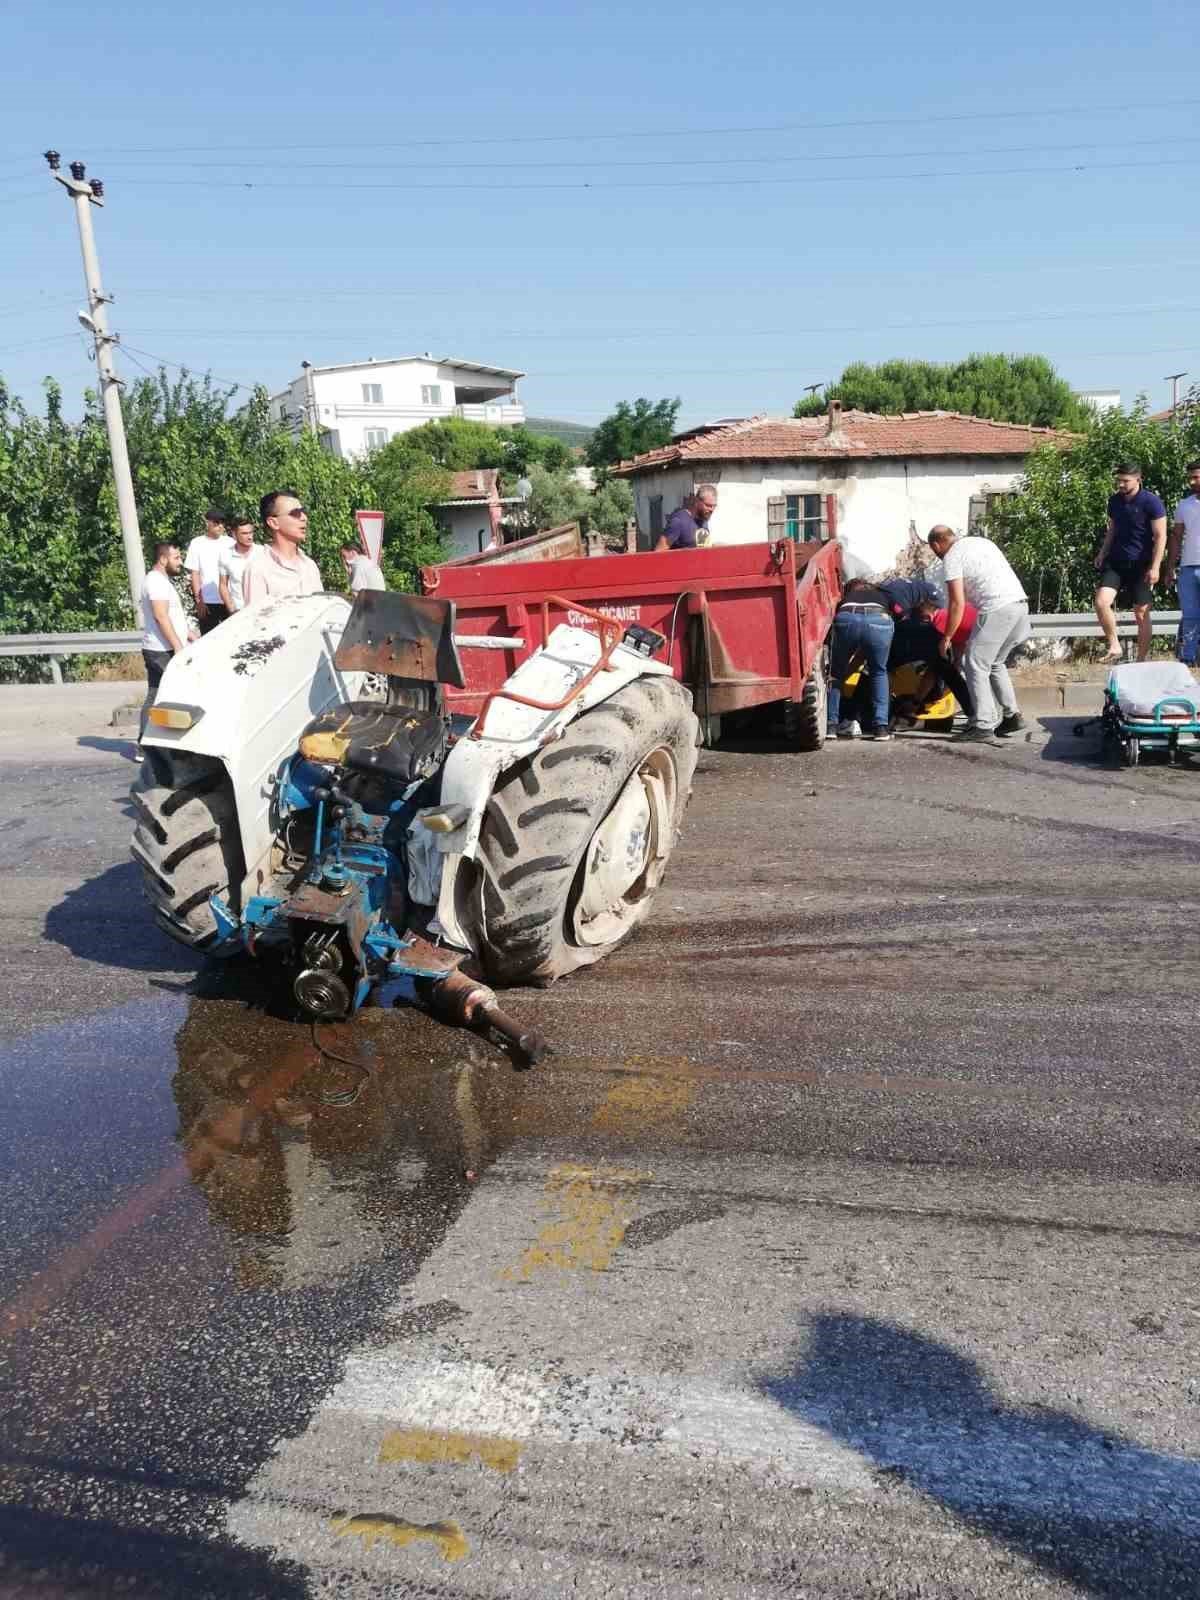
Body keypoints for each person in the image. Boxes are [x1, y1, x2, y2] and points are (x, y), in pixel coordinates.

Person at [926, 525, 1030, 743]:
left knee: (974, 662)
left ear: (936, 545)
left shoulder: (952, 557)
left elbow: (957, 602)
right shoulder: (981, 542)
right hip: (1020, 606)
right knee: (995, 663)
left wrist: (946, 637)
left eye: (934, 550)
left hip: (997, 608)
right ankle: (1012, 715)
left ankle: (983, 724)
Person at [1094, 463, 1166, 664]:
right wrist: (1102, 553)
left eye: (1125, 481)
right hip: (1116, 562)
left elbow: (1161, 536)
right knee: (1101, 602)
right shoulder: (1114, 501)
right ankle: (1115, 645)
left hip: (1141, 565)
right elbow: (1112, 530)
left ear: (1138, 479)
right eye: (1119, 480)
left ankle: (1141, 660)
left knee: (1141, 612)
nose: (1121, 484)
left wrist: (1156, 566)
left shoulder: (1151, 502)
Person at [137, 542, 198, 758]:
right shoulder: (156, 582)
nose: (180, 562)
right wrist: (178, 647)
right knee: (182, 692)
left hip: (160, 647)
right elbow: (160, 616)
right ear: (163, 559)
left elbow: (170, 615)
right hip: (162, 650)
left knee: (154, 695)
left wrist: (188, 633)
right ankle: (179, 747)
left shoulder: (160, 581)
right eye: (176, 558)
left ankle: (145, 746)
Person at [825, 579, 896, 741]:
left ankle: (831, 726)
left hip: (847, 617)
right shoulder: (880, 594)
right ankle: (881, 728)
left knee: (835, 673)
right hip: (878, 619)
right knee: (878, 671)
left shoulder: (846, 597)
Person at [243, 490, 323, 604]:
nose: (304, 518)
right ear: (273, 522)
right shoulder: (258, 569)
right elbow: (254, 619)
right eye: (295, 513)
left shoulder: (310, 566)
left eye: (304, 512)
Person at [1167, 460, 1200, 665]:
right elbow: (1176, 537)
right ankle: (1188, 658)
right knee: (1189, 616)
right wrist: (1170, 566)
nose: (1192, 481)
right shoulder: (1184, 505)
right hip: (1188, 568)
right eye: (1190, 477)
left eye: (1196, 476)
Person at [184, 509, 234, 635]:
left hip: (229, 599)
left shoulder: (230, 542)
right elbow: (194, 573)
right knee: (208, 639)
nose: (220, 526)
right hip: (207, 601)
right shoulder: (197, 543)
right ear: (208, 523)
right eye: (216, 522)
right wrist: (199, 601)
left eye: (223, 522)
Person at [655, 485, 718, 551]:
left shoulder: (703, 519)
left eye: (714, 506)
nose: (712, 510)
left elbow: (699, 546)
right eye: (708, 505)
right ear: (697, 501)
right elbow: (658, 553)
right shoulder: (678, 521)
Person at [218, 517, 256, 614]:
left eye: (251, 532)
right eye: (244, 533)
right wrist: (232, 609)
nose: (250, 537)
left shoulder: (262, 552)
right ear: (234, 535)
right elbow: (223, 585)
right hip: (239, 611)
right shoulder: (225, 555)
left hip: (263, 610)